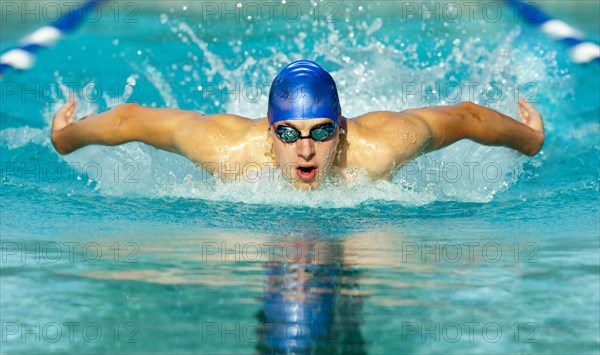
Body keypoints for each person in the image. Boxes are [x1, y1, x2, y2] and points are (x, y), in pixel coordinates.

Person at [51, 60, 544, 190]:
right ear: (270, 133)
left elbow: (465, 117)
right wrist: (65, 138)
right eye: (289, 133)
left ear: (343, 128)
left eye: (321, 132)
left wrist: (531, 139)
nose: (305, 150)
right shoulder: (228, 152)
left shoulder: (381, 148)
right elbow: (131, 120)